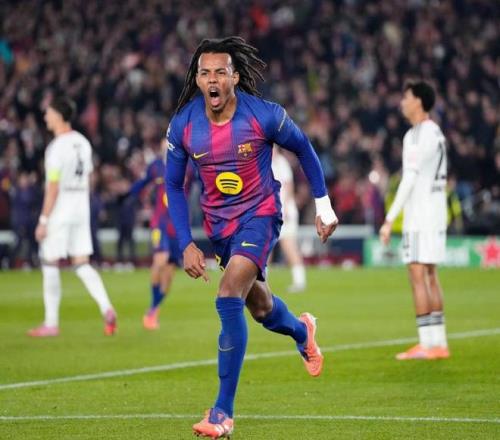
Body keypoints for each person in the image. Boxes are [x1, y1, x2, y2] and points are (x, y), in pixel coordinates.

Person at [165, 37, 338, 439]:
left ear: (235, 78)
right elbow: (173, 185)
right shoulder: (183, 125)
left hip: (260, 216)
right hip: (220, 229)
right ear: (197, 79)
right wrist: (185, 243)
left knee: (228, 296)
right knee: (260, 308)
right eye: (204, 73)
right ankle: (302, 331)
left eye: (220, 72)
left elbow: (304, 148)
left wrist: (323, 205)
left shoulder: (264, 115)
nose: (212, 79)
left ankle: (222, 413)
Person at [28, 96, 117, 337]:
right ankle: (106, 307)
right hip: (80, 205)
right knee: (81, 263)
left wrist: (43, 220)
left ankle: (51, 323)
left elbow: (53, 187)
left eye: (48, 113)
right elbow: (89, 177)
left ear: (58, 115)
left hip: (62, 205)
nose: (45, 117)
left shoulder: (56, 148)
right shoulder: (83, 142)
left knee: (49, 260)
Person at [379, 81, 450, 360]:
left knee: (417, 276)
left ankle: (426, 344)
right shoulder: (437, 132)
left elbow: (409, 178)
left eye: (406, 97)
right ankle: (439, 343)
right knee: (430, 275)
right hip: (436, 211)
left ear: (418, 101)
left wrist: (389, 219)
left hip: (420, 215)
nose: (402, 102)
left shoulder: (417, 134)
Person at [121, 141, 181, 330]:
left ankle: (154, 309)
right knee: (160, 260)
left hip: (178, 226)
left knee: (169, 274)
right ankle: (153, 310)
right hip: (160, 223)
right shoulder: (156, 166)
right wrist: (127, 196)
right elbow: (142, 183)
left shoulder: (188, 165)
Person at [271, 146, 307, 292]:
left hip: (285, 212)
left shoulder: (281, 163)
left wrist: (284, 208)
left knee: (289, 246)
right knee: (265, 249)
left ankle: (300, 281)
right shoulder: (268, 163)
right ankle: (261, 283)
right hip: (272, 211)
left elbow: (288, 187)